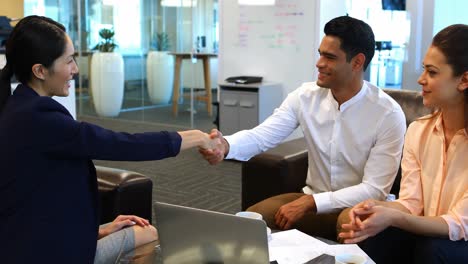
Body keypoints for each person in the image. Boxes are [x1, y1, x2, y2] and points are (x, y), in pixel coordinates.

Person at [0, 16, 218, 263]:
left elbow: (35, 202)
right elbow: (123, 144)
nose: (76, 69)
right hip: (46, 253)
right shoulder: (39, 118)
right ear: (39, 70)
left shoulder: (17, 107)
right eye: (69, 60)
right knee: (149, 234)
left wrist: (98, 229)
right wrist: (196, 137)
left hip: (28, 243)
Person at [201, 16, 406, 240]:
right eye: (320, 54)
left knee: (350, 223)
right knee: (251, 220)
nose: (319, 63)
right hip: (311, 198)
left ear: (357, 62)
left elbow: (374, 189)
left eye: (329, 57)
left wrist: (312, 202)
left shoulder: (388, 114)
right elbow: (262, 136)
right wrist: (226, 145)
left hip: (358, 205)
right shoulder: (305, 97)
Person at [338, 24, 468, 264]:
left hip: (460, 242)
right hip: (429, 235)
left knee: (433, 249)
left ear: (464, 80)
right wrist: (376, 209)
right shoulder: (419, 131)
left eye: (432, 72)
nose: (421, 79)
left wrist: (393, 218)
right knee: (378, 234)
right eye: (423, 70)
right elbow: (411, 203)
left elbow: (458, 224)